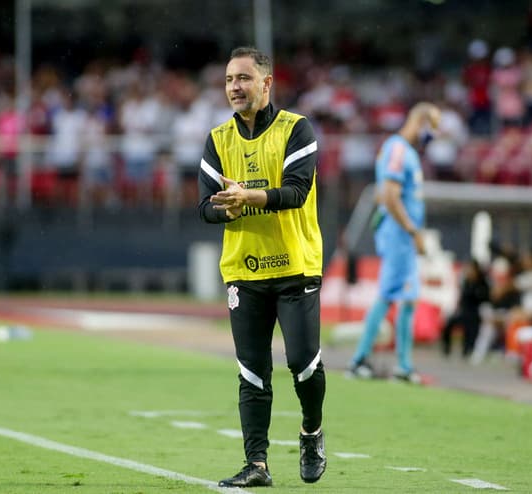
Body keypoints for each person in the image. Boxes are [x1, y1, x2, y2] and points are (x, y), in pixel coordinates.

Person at [198, 46, 326, 488]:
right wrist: (226, 211)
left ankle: (311, 432)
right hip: (244, 271)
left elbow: (295, 192)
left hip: (295, 268)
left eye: (244, 78)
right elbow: (204, 207)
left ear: (267, 83)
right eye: (230, 79)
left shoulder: (297, 129)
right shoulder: (217, 140)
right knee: (252, 372)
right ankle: (257, 464)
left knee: (303, 364)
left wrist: (247, 198)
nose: (235, 87)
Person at [346, 102, 441, 384]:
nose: (432, 137)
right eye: (431, 129)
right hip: (400, 234)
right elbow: (388, 194)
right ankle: (359, 360)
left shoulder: (403, 151)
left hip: (402, 233)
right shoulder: (398, 149)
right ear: (420, 121)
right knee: (389, 295)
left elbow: (382, 194)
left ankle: (403, 365)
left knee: (409, 298)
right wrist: (413, 231)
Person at [440, 259, 490, 358]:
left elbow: (484, 299)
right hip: (464, 312)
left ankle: (467, 350)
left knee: (470, 326)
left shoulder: (482, 283)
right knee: (448, 324)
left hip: (475, 313)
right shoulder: (466, 282)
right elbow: (462, 299)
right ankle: (447, 348)